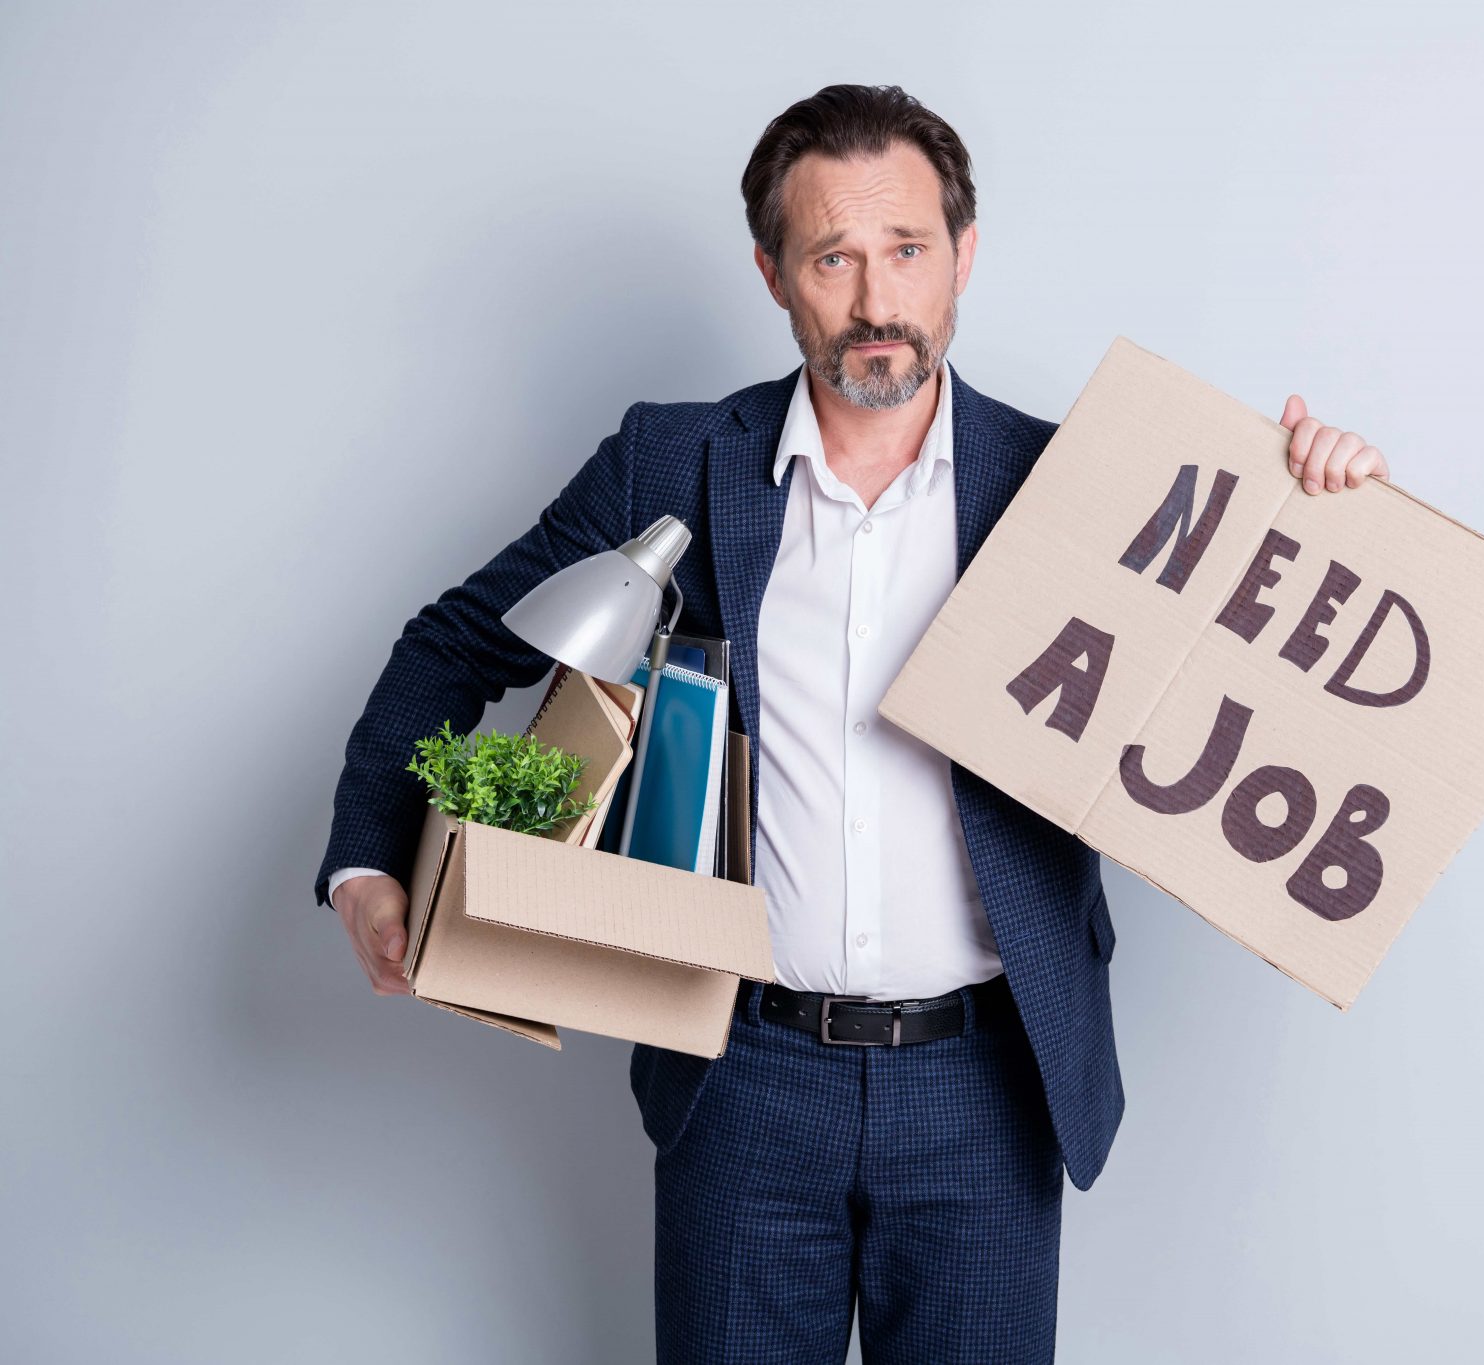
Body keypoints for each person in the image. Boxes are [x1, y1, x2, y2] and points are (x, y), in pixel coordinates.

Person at [315, 82, 1390, 1365]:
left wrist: (1319, 505)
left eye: (907, 251)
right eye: (833, 257)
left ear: (963, 257)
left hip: (985, 1089)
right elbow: (457, 641)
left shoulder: (1077, 488)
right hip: (743, 1079)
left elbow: (1263, 667)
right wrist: (370, 860)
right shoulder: (673, 466)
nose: (877, 301)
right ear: (773, 272)